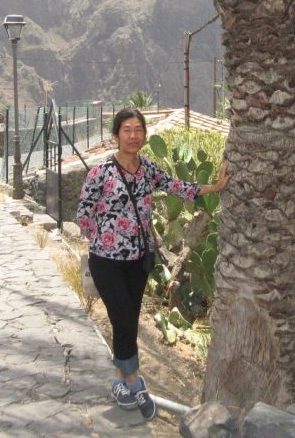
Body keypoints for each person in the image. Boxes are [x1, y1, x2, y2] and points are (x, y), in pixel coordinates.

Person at [76, 107, 229, 421]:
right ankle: (134, 382)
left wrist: (214, 188)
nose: (133, 136)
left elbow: (175, 186)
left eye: (138, 129)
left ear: (145, 135)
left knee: (129, 320)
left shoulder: (147, 168)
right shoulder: (101, 172)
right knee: (122, 317)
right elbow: (83, 215)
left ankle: (120, 380)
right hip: (107, 262)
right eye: (127, 130)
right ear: (116, 135)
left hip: (138, 261)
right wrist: (105, 239)